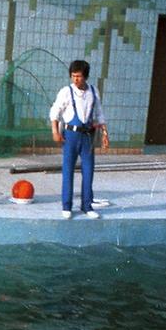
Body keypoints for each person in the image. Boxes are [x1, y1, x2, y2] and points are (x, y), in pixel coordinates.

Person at [49, 60, 109, 219]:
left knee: (88, 171)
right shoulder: (66, 92)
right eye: (73, 76)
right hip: (70, 136)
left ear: (86, 77)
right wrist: (55, 132)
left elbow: (99, 114)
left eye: (79, 76)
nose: (75, 79)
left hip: (87, 136)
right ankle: (67, 206)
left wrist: (105, 134)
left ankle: (87, 206)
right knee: (68, 170)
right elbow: (54, 112)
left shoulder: (93, 92)